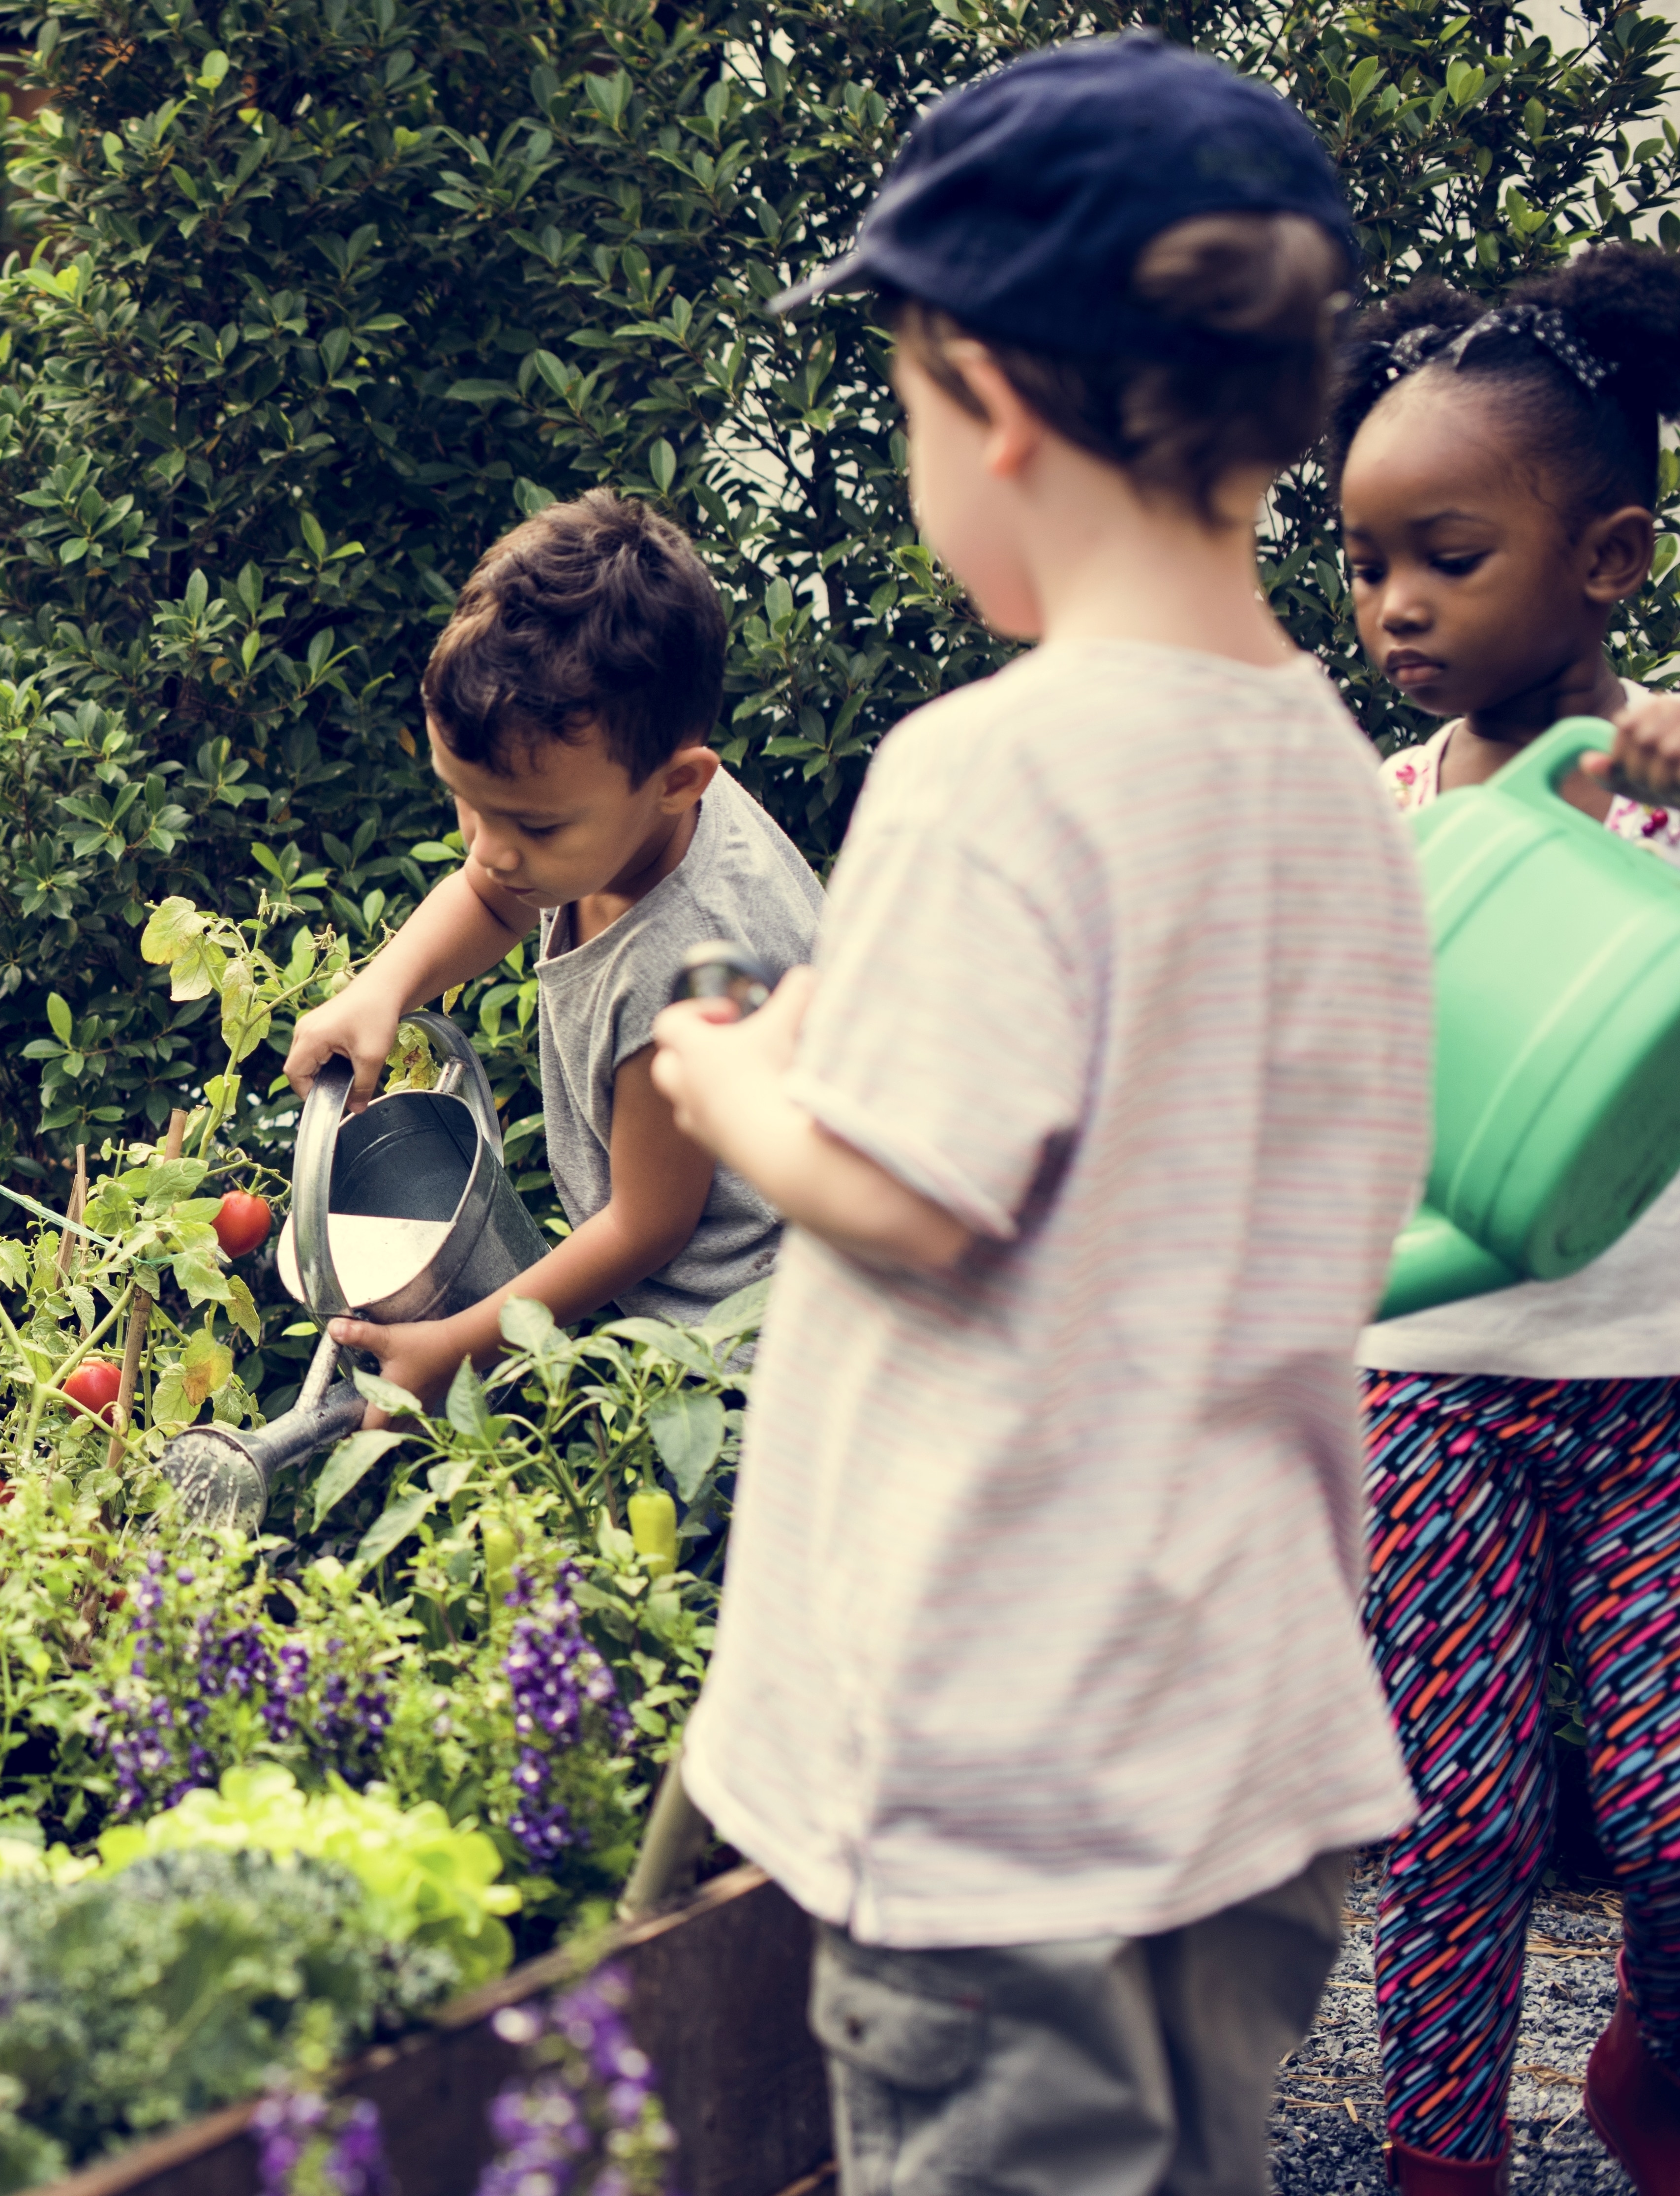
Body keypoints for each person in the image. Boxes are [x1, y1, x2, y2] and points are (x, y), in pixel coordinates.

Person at [646, 36, 1431, 2194]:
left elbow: (915, 1198)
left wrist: (734, 1086)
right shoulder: (1339, 795)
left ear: (986, 400)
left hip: (1005, 1783)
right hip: (1235, 1742)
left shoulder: (992, 770)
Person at [1329, 242, 1680, 2193]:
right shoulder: (1379, 812)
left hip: (1653, 1395)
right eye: (1365, 558)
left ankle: (1653, 2077)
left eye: (1440, 557)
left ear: (1606, 559)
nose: (1388, 605)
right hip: (1434, 1390)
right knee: (1451, 1822)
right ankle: (1438, 2165)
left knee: (1674, 1810)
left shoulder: (1662, 781)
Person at [281, 492, 819, 1399]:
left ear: (678, 784)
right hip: (686, 1283)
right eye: (470, 803)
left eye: (529, 825)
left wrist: (457, 1347)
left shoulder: (683, 970)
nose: (489, 851)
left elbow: (647, 1226)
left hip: (749, 1345)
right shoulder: (613, 815)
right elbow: (490, 897)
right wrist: (384, 986)